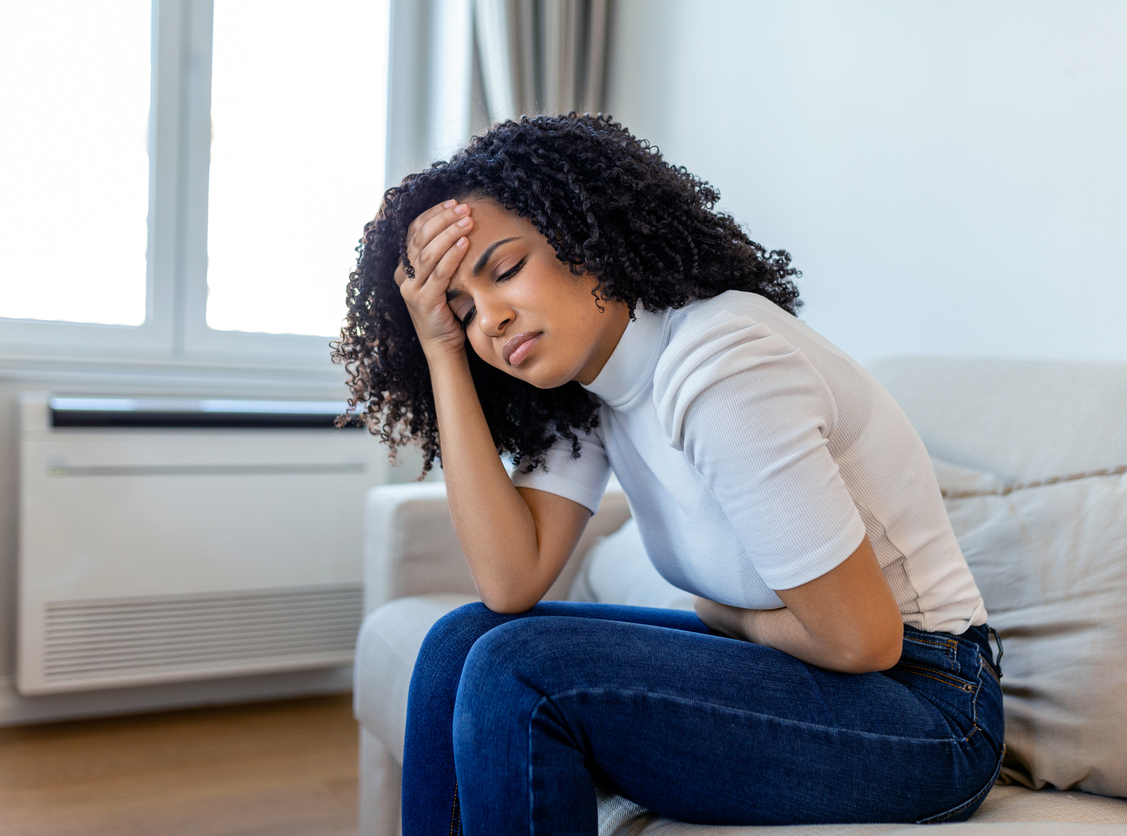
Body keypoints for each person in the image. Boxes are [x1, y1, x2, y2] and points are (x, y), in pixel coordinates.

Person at [333, 113, 1004, 835]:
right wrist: (440, 351)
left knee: (516, 668)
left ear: (583, 236)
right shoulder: (594, 385)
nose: (489, 318)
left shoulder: (722, 365)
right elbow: (509, 579)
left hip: (929, 710)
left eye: (506, 270)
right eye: (462, 311)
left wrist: (728, 617)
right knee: (458, 644)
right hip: (815, 675)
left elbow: (861, 641)